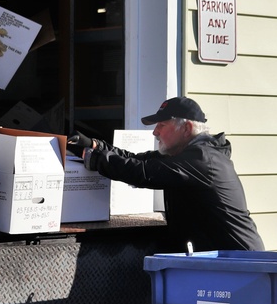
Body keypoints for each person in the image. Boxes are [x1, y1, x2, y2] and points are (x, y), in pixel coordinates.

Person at [68, 96, 265, 253]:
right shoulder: (184, 156)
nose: (155, 132)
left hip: (240, 264)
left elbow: (143, 172)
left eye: (161, 125)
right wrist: (95, 146)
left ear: (186, 128)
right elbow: (139, 160)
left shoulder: (203, 160)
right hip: (218, 260)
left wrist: (94, 158)